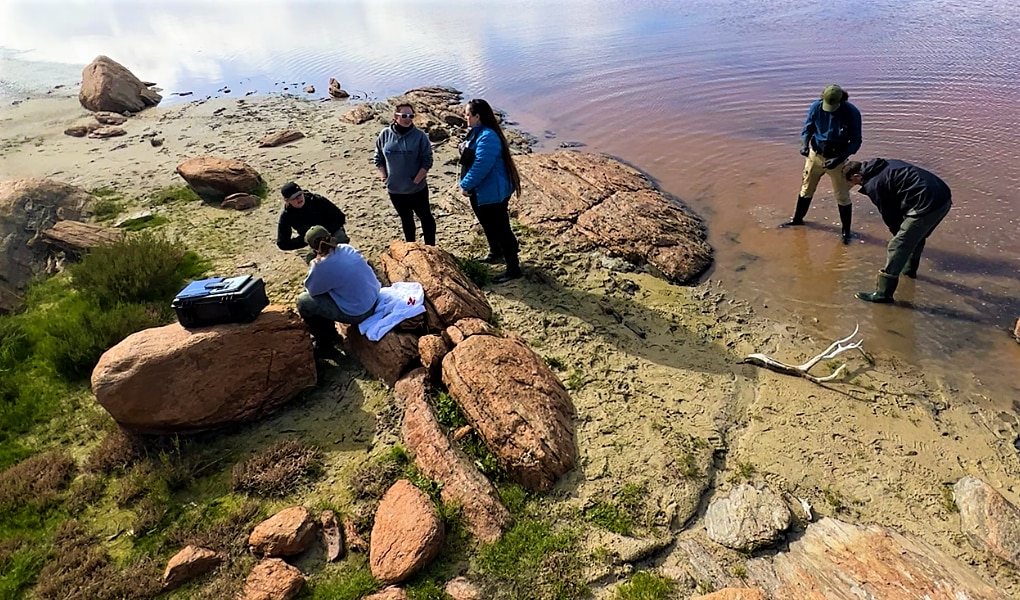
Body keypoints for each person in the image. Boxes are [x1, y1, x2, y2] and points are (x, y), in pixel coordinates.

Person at [844, 159, 952, 303]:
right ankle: (909, 272)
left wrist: (897, 233)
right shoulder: (886, 164)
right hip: (943, 198)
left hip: (927, 205)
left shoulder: (874, 184)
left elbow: (889, 214)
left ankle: (883, 293)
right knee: (916, 236)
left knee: (898, 245)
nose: (854, 185)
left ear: (857, 176)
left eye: (853, 182)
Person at [781, 84, 863, 244]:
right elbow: (807, 129)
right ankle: (797, 220)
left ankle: (846, 232)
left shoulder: (852, 113)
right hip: (815, 155)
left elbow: (856, 141)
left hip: (838, 158)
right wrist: (804, 145)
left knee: (842, 196)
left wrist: (840, 158)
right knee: (806, 189)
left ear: (842, 100)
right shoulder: (816, 107)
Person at [458, 98, 523, 283]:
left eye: (467, 114)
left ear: (477, 116)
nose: (465, 117)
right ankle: (496, 252)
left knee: (502, 229)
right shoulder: (476, 133)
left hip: (492, 192)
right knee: (488, 224)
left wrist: (466, 185)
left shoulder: (488, 136)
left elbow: (482, 165)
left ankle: (513, 268)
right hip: (481, 192)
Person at [296, 225, 381, 352]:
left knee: (303, 301)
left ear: (313, 248)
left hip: (360, 312)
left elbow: (312, 291)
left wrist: (313, 265)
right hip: (375, 298)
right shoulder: (346, 248)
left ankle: (326, 342)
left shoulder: (320, 267)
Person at [374, 102, 437, 245]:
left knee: (425, 217)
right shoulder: (385, 134)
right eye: (404, 115)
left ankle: (431, 248)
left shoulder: (420, 136)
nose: (408, 119)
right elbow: (378, 157)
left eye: (411, 116)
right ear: (395, 116)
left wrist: (415, 181)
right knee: (406, 219)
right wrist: (384, 176)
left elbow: (427, 161)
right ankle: (411, 247)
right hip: (395, 190)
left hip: (417, 189)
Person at [276, 182, 349, 262]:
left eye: (300, 194)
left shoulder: (316, 200)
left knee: (341, 243)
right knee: (311, 259)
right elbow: (282, 243)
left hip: (331, 234)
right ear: (287, 201)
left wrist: (325, 233)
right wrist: (306, 240)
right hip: (313, 245)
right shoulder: (286, 216)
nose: (299, 199)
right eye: (294, 198)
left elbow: (340, 217)